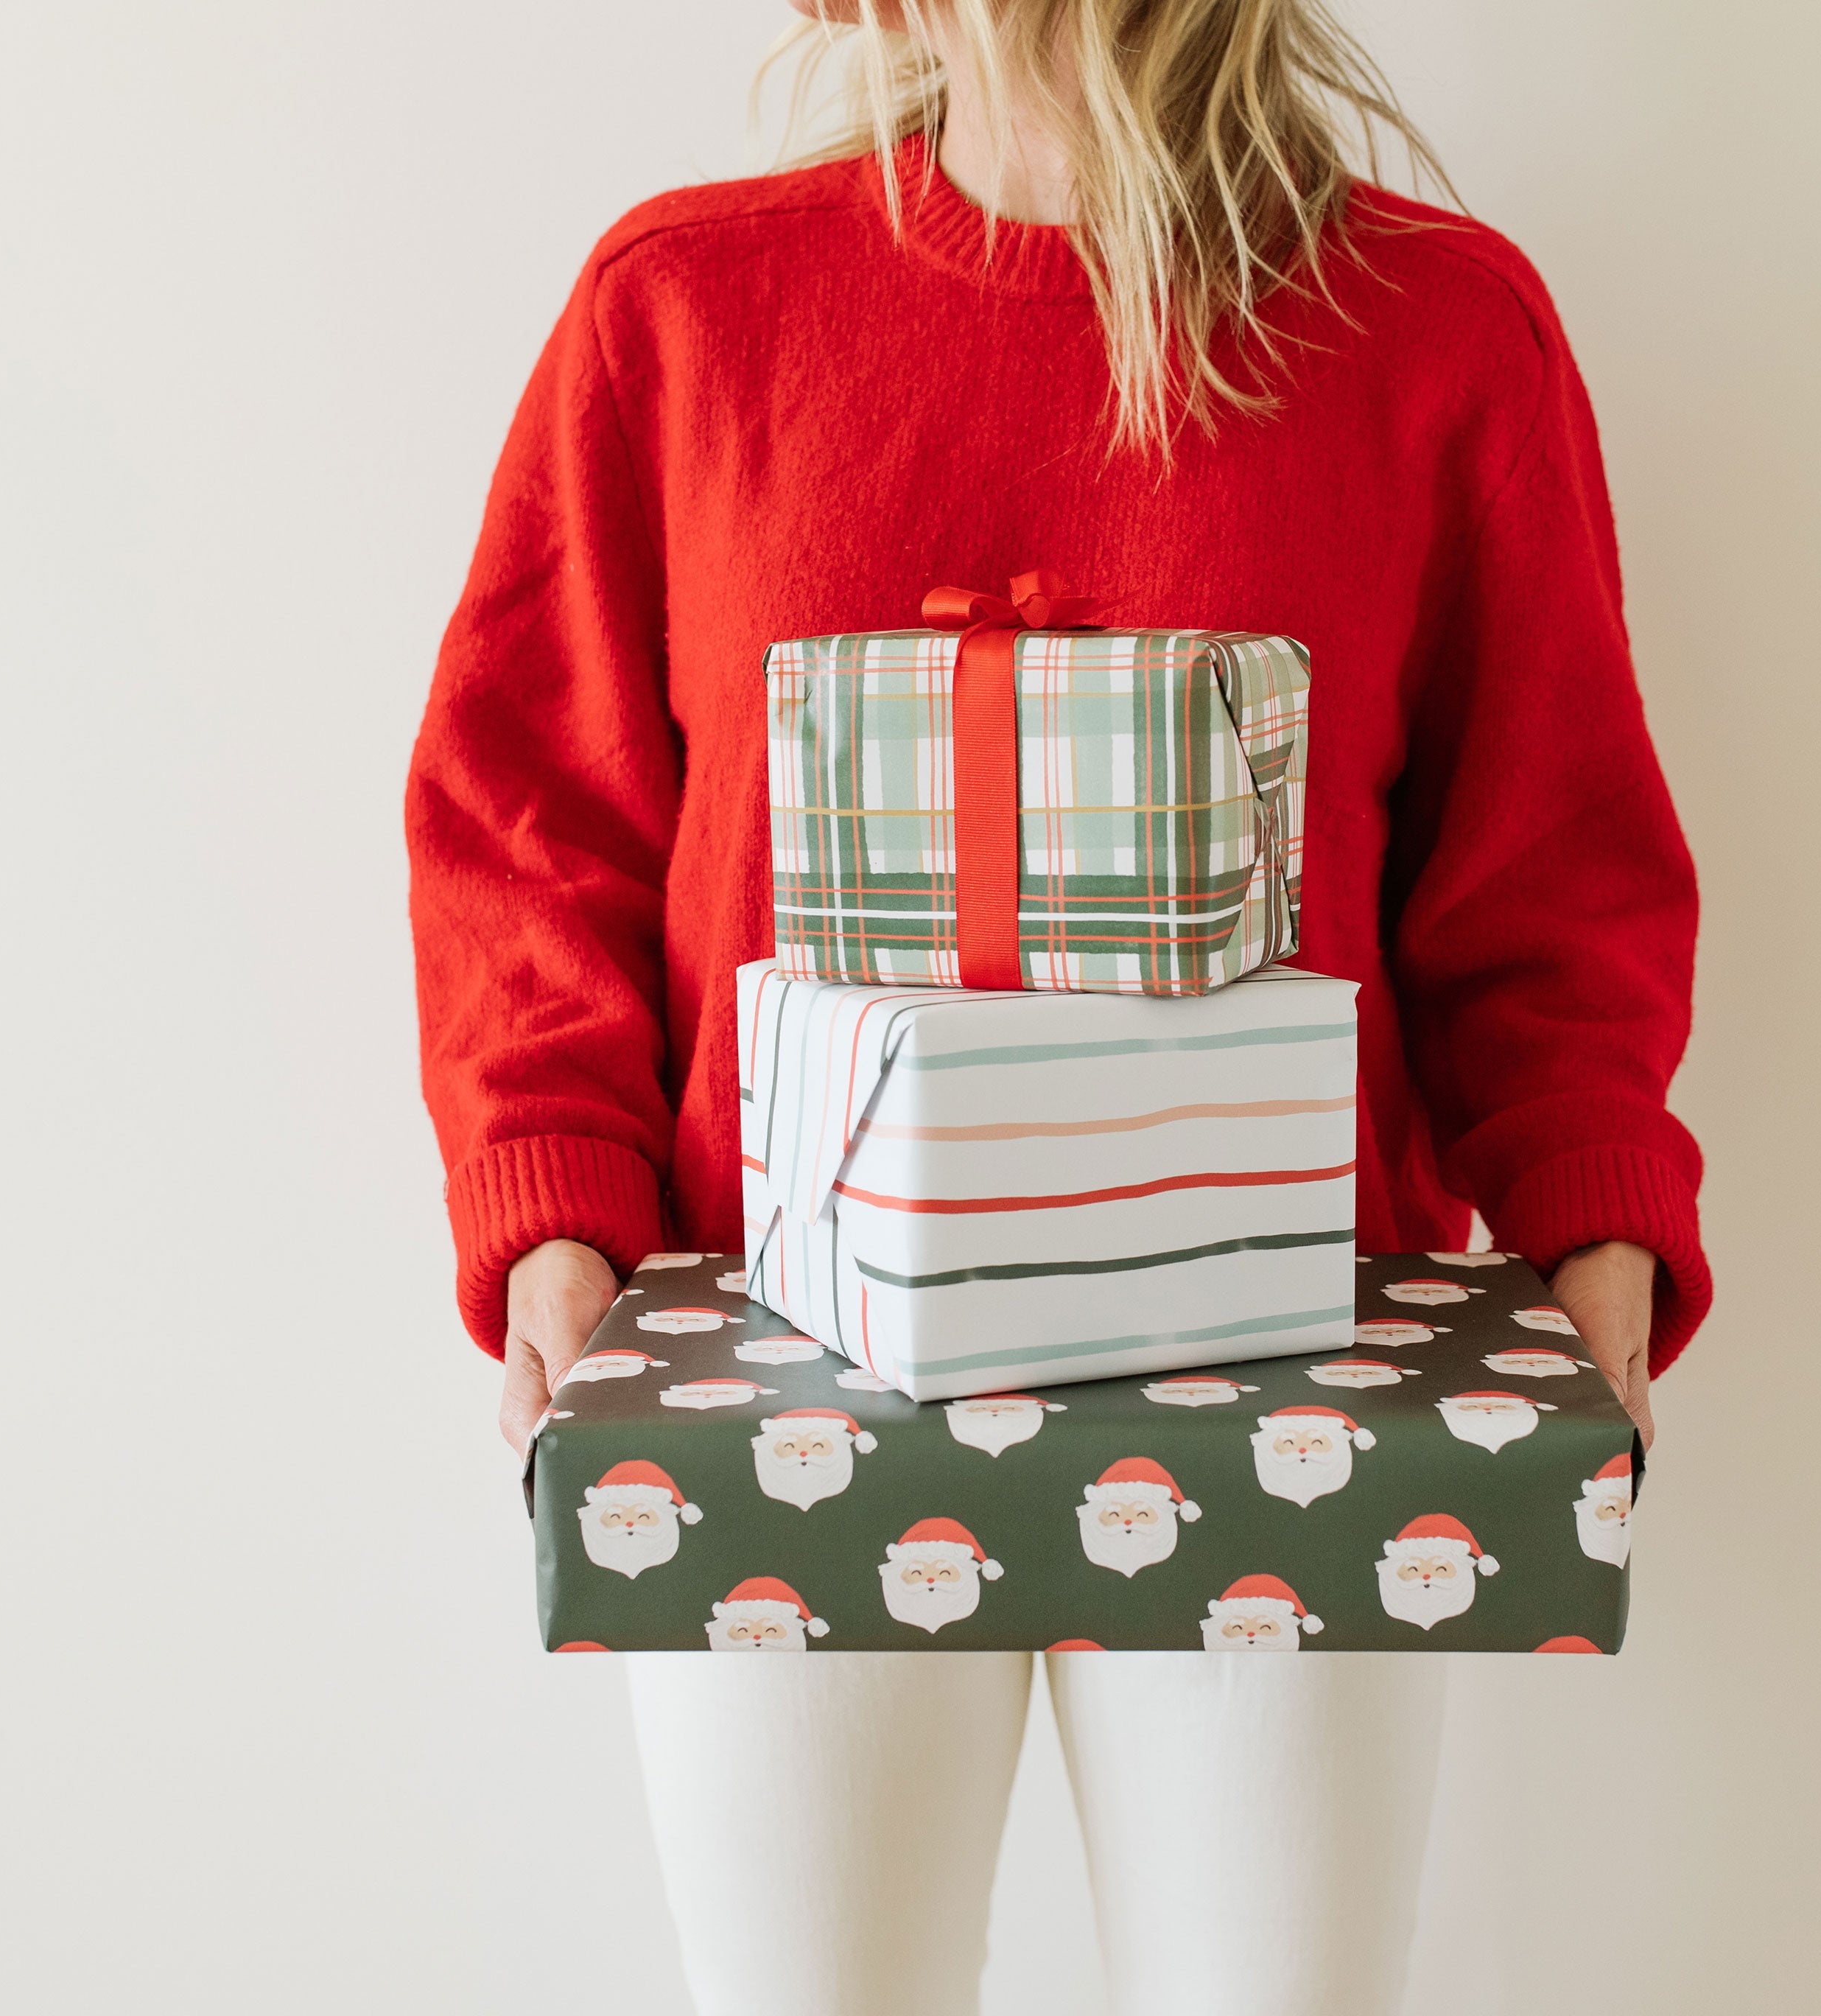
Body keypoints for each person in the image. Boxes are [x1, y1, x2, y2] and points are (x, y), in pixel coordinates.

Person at [402, 4, 1703, 2012]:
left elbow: (1545, 856)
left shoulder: (1442, 339)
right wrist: (553, 1203)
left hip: (1297, 1361)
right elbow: (531, 821)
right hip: (776, 1362)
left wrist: (1592, 1206)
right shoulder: (682, 317)